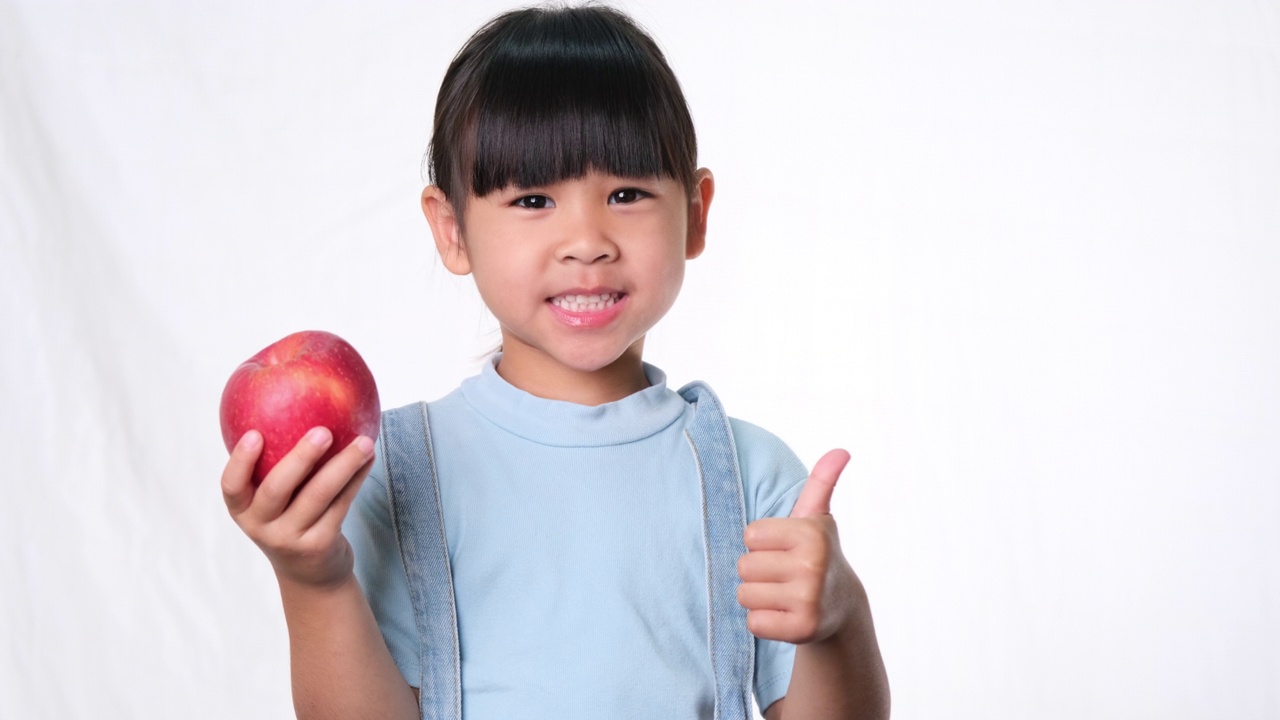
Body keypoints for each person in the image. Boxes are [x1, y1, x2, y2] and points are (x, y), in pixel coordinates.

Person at [220, 5, 889, 719]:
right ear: (452, 232)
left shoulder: (752, 480)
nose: (586, 240)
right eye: (533, 198)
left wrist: (838, 620)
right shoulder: (392, 474)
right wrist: (315, 580)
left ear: (695, 213)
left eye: (626, 194)